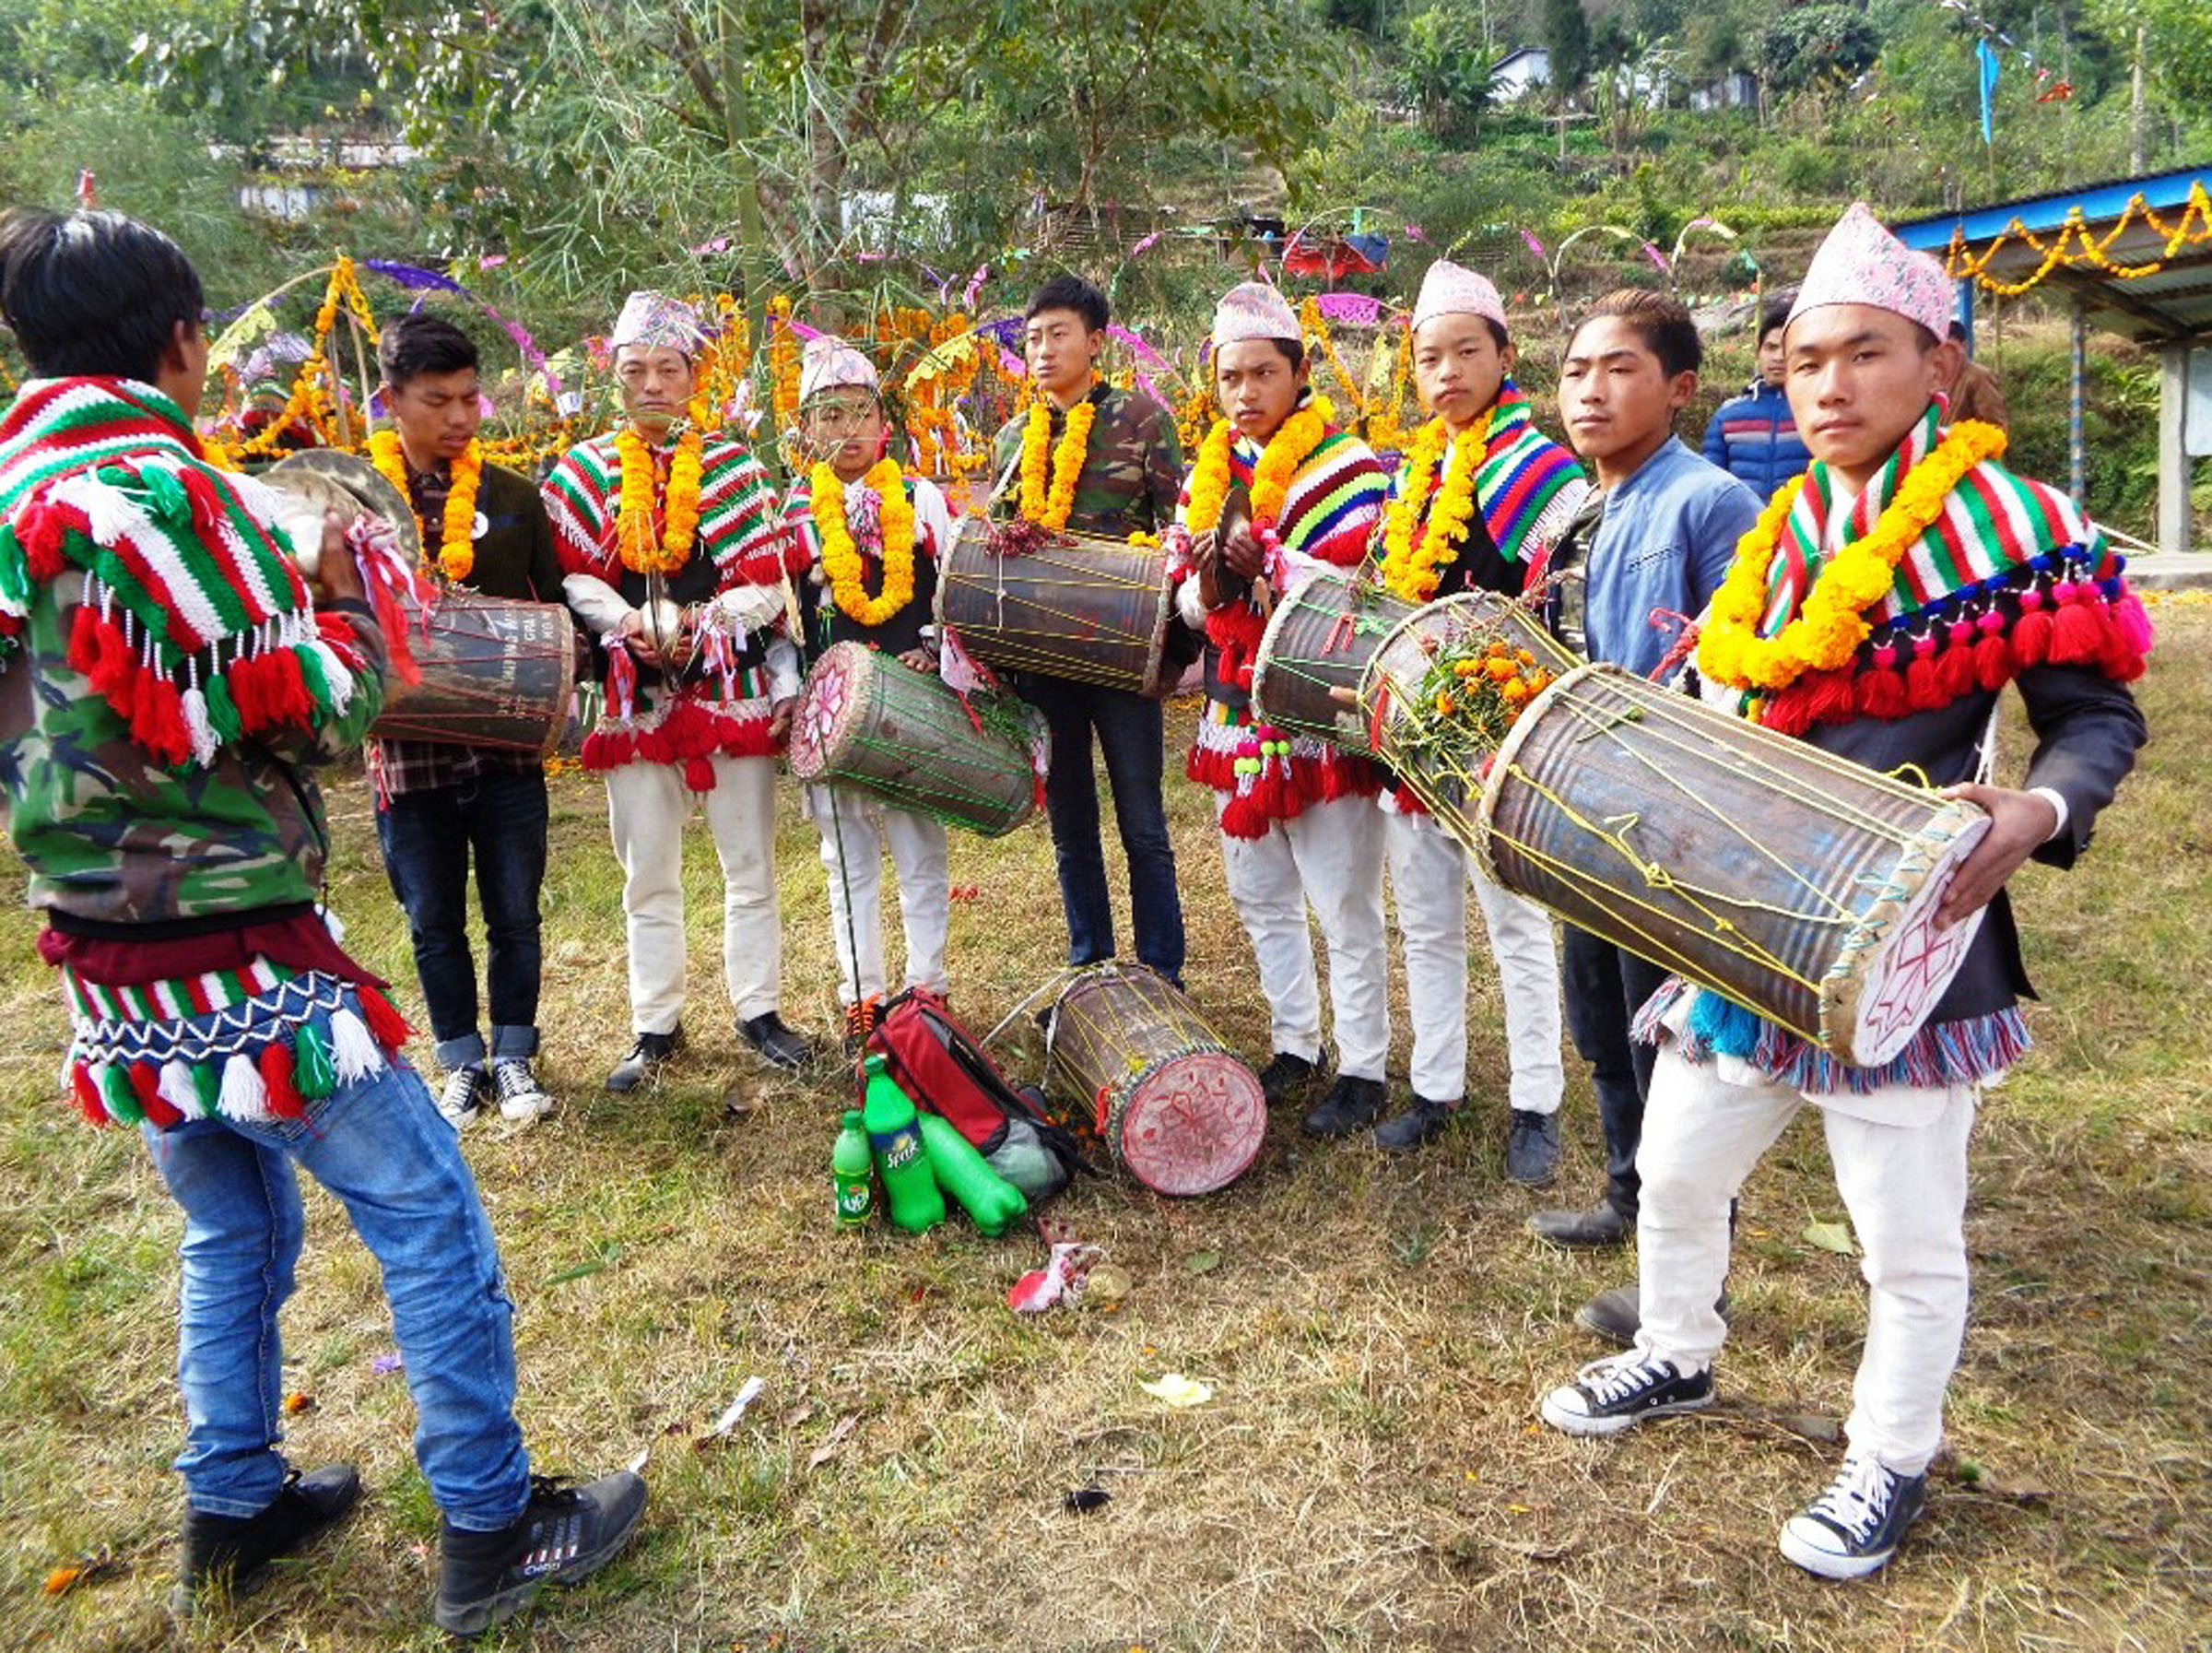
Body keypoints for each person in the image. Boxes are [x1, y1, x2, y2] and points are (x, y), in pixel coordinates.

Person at [0, 207, 643, 1635]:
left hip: (98, 947)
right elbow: (316, 700)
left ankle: (232, 1503)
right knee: (428, 1212)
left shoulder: (9, 497)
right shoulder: (169, 499)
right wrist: (350, 606)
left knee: (232, 1225)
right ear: (176, 340)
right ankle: (494, 1523)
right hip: (229, 939)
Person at [1538, 202, 2148, 1583]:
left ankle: (1890, 1455)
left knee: (1903, 1233)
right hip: (1745, 931)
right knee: (1681, 1173)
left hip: (1909, 944)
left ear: (1937, 364)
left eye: (1864, 354)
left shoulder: (2008, 522)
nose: (1828, 385)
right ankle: (1677, 1354)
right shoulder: (1778, 530)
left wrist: (2037, 807)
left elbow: (2095, 717)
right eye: (1807, 360)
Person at [1527, 290, 1763, 1305]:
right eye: (1577, 370)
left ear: (1679, 388)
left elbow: (1740, 669)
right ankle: (1627, 1193)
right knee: (1601, 1015)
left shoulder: (1710, 503)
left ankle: (1691, 1266)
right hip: (1579, 805)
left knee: (1668, 1024)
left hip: (1665, 813)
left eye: (1619, 368)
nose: (1591, 389)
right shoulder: (1577, 505)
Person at [1340, 259, 1582, 1178]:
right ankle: (1435, 1086)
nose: (1446, 373)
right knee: (1427, 919)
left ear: (1505, 355)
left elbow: (1562, 603)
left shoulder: (1542, 471)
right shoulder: (1414, 472)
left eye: (1465, 352)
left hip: (1505, 726)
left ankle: (1537, 1105)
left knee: (1514, 924)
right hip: (1415, 728)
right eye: (1428, 357)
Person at [544, 291, 814, 1091]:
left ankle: (759, 1010)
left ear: (694, 376)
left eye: (668, 369)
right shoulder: (584, 471)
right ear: (616, 378)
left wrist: (708, 619)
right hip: (636, 703)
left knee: (750, 865)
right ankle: (654, 1027)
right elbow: (573, 577)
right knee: (648, 873)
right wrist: (629, 619)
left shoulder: (736, 468)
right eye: (637, 371)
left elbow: (770, 583)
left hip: (731, 695)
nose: (653, 385)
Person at [1170, 280, 1391, 1116]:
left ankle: (1365, 1066)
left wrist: (1274, 566)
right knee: (1259, 890)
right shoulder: (1209, 472)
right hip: (1235, 706)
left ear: (1300, 375)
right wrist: (1211, 576)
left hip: (1323, 706)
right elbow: (1188, 603)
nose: (1247, 394)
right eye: (1231, 379)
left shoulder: (1350, 467)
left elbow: (1363, 589)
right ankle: (1297, 1041)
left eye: (1264, 374)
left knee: (1343, 897)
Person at [365, 313, 565, 1128]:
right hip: (408, 759)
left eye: (471, 398)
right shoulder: (353, 500)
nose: (458, 416)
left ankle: (515, 1055)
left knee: (515, 907)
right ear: (391, 400)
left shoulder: (516, 500)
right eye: (437, 398)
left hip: (506, 752)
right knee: (432, 916)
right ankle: (461, 1060)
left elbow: (554, 612)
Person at [988, 274, 1188, 984]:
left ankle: (1162, 970)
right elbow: (999, 547)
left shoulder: (1140, 419)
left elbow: (1181, 534)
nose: (1042, 350)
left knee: (1143, 822)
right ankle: (1091, 964)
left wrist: (1176, 648)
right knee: (1072, 825)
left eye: (1058, 334)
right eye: (1033, 338)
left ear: (1095, 341)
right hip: (1043, 659)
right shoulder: (1014, 440)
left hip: (1123, 655)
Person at [779, 336, 960, 1047]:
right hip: (831, 709)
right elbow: (779, 623)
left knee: (920, 846)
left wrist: (935, 652)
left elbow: (954, 596)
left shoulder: (921, 500)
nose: (847, 431)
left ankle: (930, 987)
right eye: (829, 416)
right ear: (805, 431)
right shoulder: (793, 513)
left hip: (913, 701)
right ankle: (863, 993)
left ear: (884, 422)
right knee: (843, 852)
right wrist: (794, 692)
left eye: (859, 412)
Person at [1701, 293, 1810, 497]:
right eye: (1771, 348)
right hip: (1742, 525)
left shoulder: (1816, 410)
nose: (1778, 357)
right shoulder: (1729, 414)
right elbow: (1710, 481)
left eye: (1787, 348)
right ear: (1758, 353)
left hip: (1800, 525)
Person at [1941, 319, 2010, 431]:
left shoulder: (1979, 376)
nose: (1946, 354)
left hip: (1964, 446)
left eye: (1951, 348)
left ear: (1964, 346)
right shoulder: (1931, 376)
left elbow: (1995, 426)